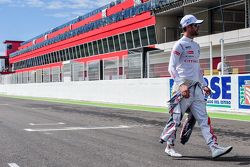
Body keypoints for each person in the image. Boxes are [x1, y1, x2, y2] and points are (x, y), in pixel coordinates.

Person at [159, 15, 233, 158]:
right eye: (195, 25)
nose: (197, 27)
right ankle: (169, 146)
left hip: (196, 88)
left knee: (204, 119)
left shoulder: (196, 46)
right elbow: (171, 68)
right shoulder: (179, 45)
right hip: (183, 87)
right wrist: (181, 85)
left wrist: (204, 85)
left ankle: (214, 148)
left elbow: (197, 69)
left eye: (197, 25)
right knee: (176, 119)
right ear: (187, 27)